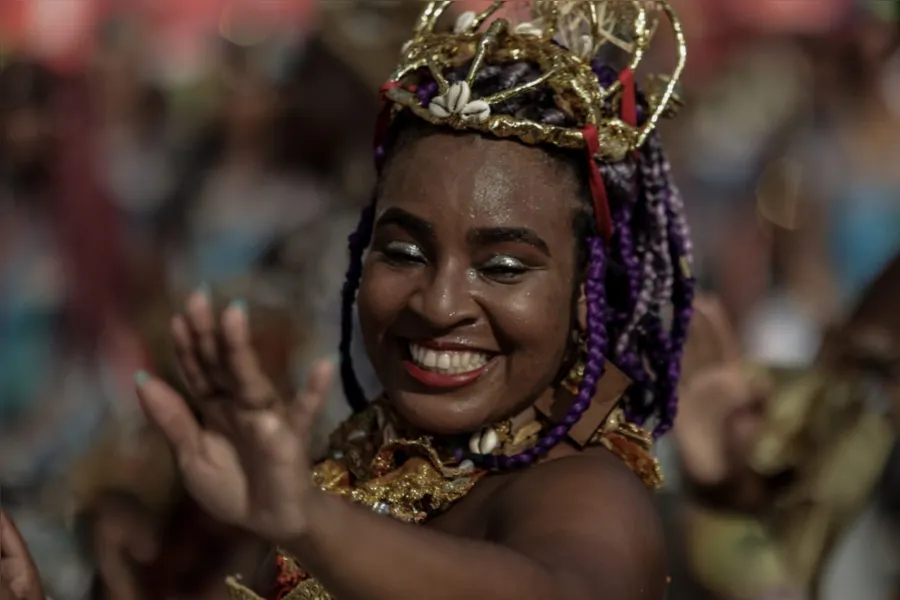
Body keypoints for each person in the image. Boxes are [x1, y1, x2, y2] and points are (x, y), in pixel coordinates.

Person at [3, 1, 694, 599]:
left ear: (585, 292)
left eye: (504, 266)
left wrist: (307, 518)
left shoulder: (585, 490)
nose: (438, 301)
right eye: (404, 251)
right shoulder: (373, 453)